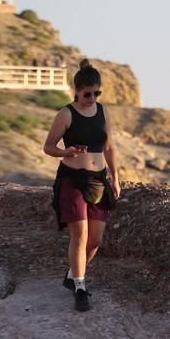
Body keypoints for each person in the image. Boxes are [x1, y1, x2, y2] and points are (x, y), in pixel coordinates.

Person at [43, 59, 120, 312]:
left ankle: (72, 274)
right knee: (80, 235)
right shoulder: (66, 114)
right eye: (88, 93)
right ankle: (79, 286)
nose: (93, 97)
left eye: (97, 92)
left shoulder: (102, 111)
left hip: (98, 180)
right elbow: (49, 146)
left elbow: (109, 147)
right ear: (77, 90)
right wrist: (66, 152)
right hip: (72, 180)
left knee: (95, 240)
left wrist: (116, 178)